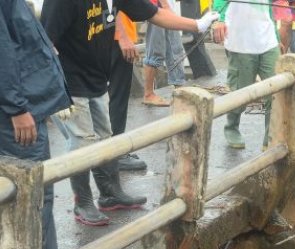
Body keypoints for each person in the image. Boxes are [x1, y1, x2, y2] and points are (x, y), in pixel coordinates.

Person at [41, 0, 218, 226]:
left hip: (95, 78)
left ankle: (109, 193)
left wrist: (197, 25)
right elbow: (44, 42)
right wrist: (56, 89)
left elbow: (155, 14)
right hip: (70, 82)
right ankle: (82, 201)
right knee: (82, 141)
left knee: (106, 136)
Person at [0, 0, 88, 249]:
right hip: (16, 113)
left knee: (14, 195)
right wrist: (18, 108)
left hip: (16, 106)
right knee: (34, 197)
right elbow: (3, 49)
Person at [213, 0, 280, 150]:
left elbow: (268, 7)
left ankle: (271, 136)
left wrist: (276, 35)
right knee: (240, 91)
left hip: (268, 40)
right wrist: (220, 19)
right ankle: (231, 127)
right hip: (241, 42)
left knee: (277, 91)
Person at [109, 12, 148, 171]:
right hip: (116, 38)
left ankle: (115, 149)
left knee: (117, 95)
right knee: (117, 95)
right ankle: (115, 153)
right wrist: (122, 36)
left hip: (115, 34)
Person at [142, 0, 187, 107]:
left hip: (166, 10)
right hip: (157, 9)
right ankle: (148, 94)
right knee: (155, 51)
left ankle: (179, 90)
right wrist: (166, 6)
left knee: (175, 48)